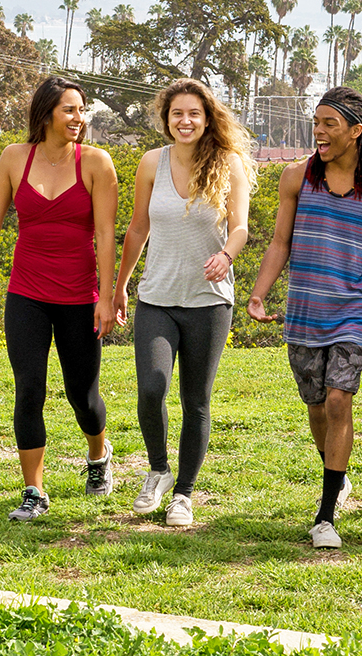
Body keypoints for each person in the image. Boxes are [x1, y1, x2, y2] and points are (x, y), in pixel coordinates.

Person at [247, 86, 362, 550]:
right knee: (317, 408)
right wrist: (257, 294)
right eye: (316, 122)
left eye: (329, 124)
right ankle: (337, 472)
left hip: (355, 311)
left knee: (338, 403)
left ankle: (325, 516)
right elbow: (280, 243)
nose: (318, 131)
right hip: (305, 312)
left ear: (357, 131)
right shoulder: (296, 178)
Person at [0, 76, 119, 521]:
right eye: (70, 109)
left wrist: (105, 298)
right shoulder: (14, 158)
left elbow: (106, 233)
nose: (78, 118)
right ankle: (34, 491)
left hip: (78, 295)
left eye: (82, 110)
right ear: (47, 112)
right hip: (26, 292)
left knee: (81, 395)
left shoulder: (97, 163)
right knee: (29, 389)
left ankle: (98, 455)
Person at [113, 79, 255, 526]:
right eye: (177, 114)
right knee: (152, 386)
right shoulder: (152, 162)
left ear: (207, 118)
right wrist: (120, 286)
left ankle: (184, 495)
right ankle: (157, 469)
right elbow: (138, 229)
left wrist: (226, 254)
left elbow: (241, 227)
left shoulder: (228, 164)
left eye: (194, 113)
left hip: (209, 302)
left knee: (196, 400)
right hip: (156, 297)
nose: (186, 121)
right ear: (166, 118)